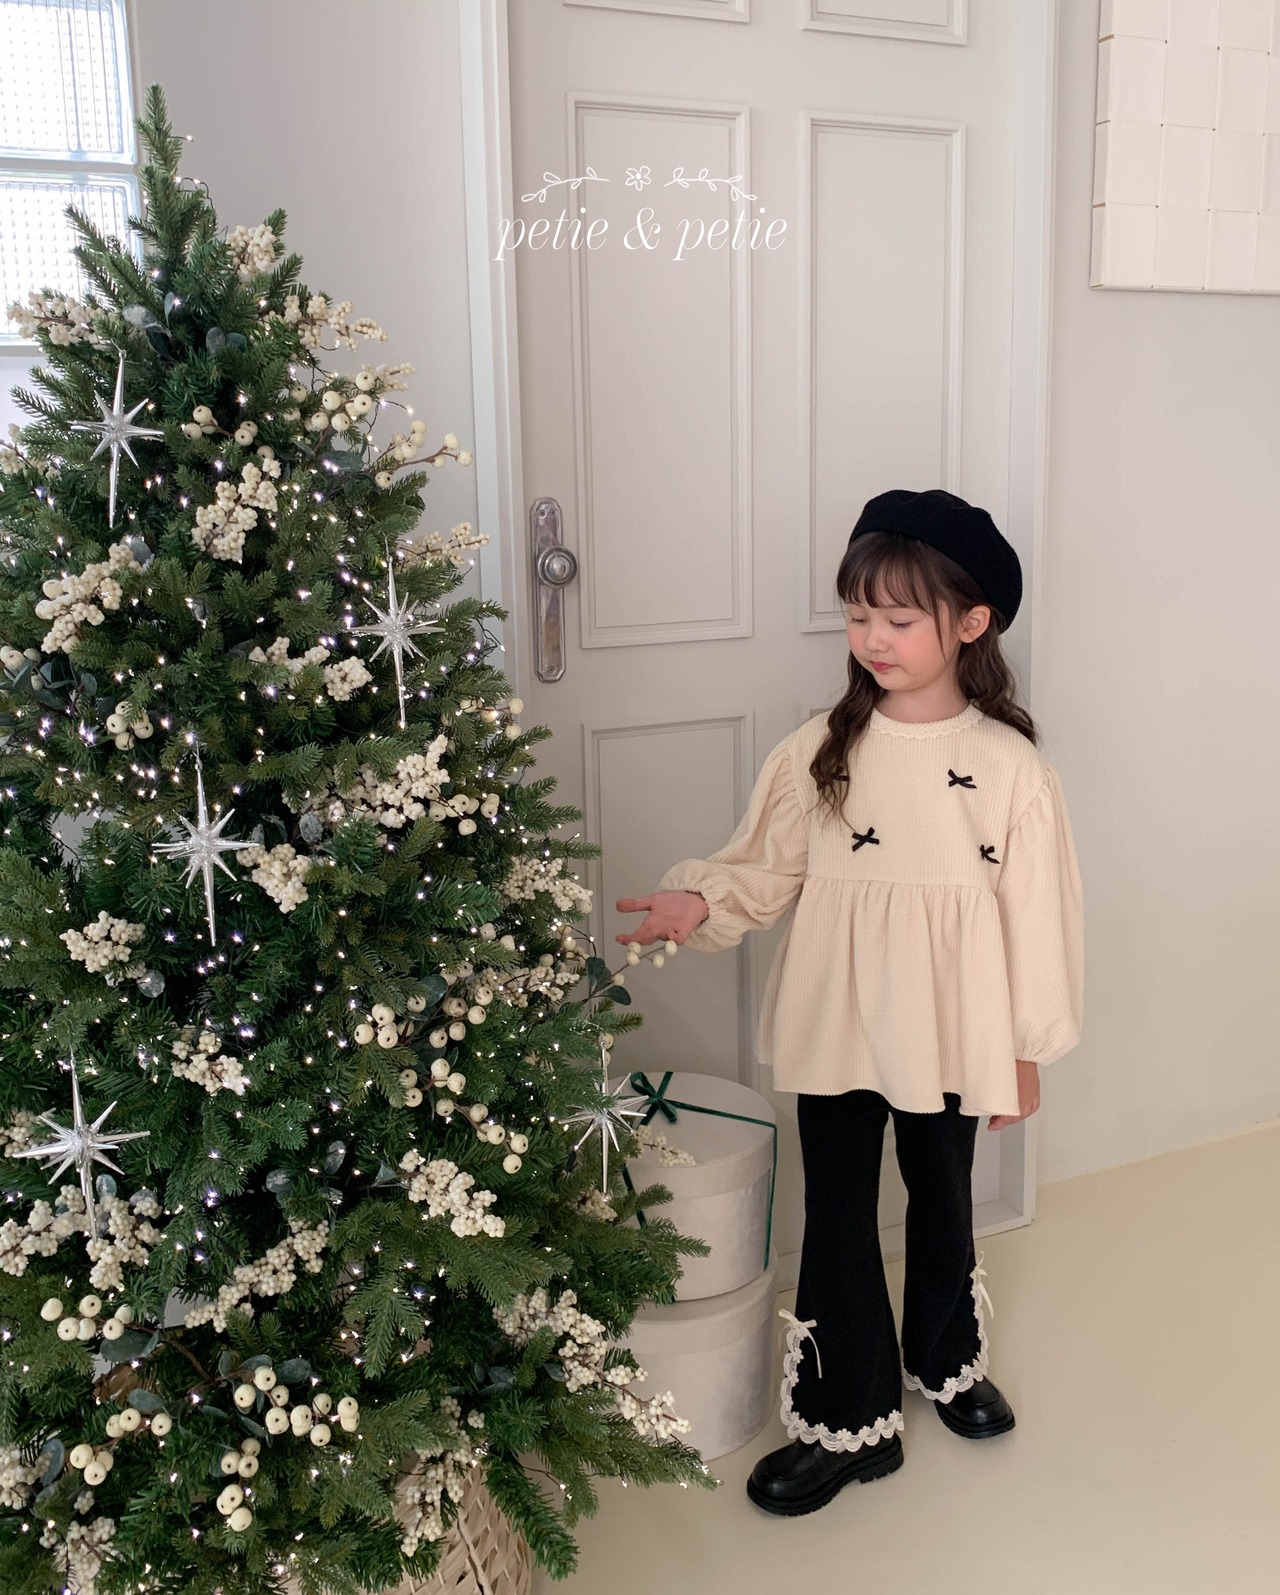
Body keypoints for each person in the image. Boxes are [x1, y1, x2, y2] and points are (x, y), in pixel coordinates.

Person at [615, 488, 1084, 1518]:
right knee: (836, 1211)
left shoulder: (1011, 769)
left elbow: (1037, 918)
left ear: (972, 622)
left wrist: (1023, 1047)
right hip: (836, 1022)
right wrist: (700, 900)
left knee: (943, 1197)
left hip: (951, 1031)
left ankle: (945, 1362)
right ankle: (847, 1418)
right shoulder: (819, 747)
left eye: (899, 618)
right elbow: (765, 867)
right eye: (858, 613)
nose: (872, 637)